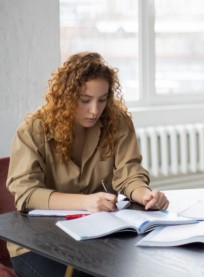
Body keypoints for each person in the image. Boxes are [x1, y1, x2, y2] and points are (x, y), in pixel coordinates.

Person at [7, 52, 169, 276]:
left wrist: (144, 195)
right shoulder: (34, 129)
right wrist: (85, 202)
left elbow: (130, 173)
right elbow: (26, 194)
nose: (95, 110)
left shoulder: (117, 121)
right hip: (39, 242)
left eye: (102, 99)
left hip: (97, 237)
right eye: (85, 100)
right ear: (66, 96)